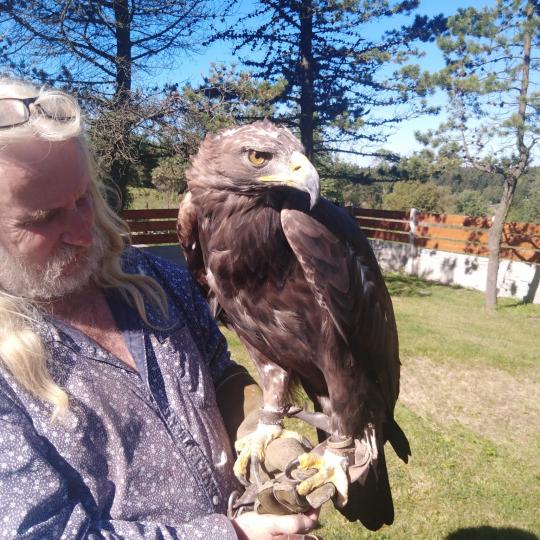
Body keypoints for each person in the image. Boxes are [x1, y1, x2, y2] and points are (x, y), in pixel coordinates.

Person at [0, 78, 319, 539]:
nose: (85, 232)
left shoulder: (151, 277)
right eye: (43, 218)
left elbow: (217, 370)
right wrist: (231, 535)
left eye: (83, 197)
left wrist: (261, 428)